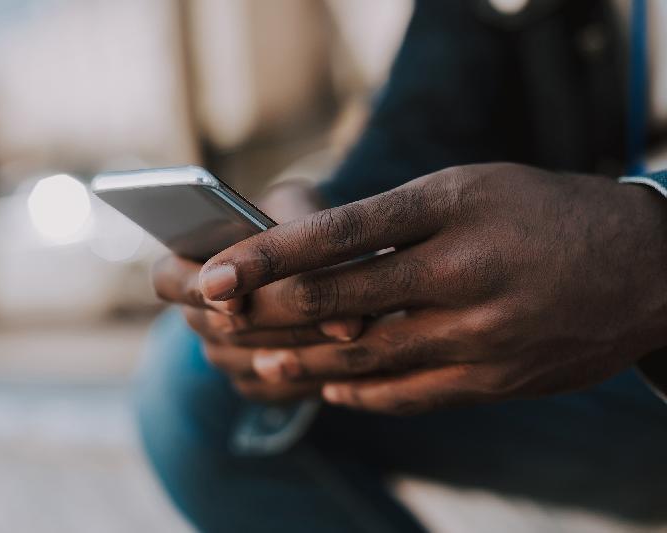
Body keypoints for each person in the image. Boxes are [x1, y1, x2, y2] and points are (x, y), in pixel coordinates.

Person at [136, 1, 667, 531]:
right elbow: (418, 131)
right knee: (199, 381)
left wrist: (649, 245)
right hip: (601, 354)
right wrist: (306, 209)